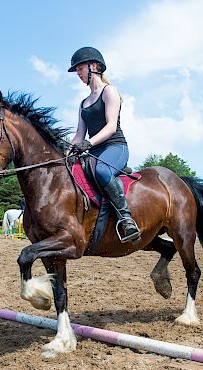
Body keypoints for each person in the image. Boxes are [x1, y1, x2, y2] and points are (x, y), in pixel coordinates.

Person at [66, 46, 140, 243]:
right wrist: (66, 152)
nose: (78, 74)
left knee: (101, 171)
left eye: (80, 69)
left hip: (115, 147)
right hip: (94, 151)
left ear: (94, 66)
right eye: (77, 71)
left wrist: (87, 143)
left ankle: (126, 219)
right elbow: (78, 134)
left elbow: (110, 128)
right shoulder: (83, 103)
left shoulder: (110, 92)